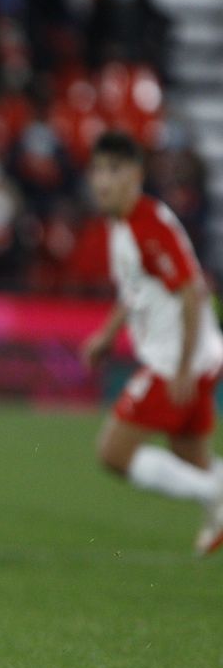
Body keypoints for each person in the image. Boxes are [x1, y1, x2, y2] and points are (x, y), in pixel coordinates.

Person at [79, 131, 223, 553]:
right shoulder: (123, 222)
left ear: (137, 175)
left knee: (113, 453)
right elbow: (136, 289)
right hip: (198, 357)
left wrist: (180, 369)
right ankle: (215, 503)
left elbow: (193, 293)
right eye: (98, 170)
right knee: (191, 458)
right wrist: (107, 335)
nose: (104, 181)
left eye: (115, 170)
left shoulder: (147, 226)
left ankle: (216, 496)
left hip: (178, 361)